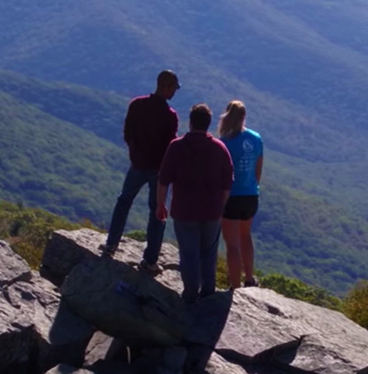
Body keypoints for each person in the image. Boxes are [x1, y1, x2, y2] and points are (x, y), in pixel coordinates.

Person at [154, 103, 233, 303]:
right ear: (208, 124)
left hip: (184, 211)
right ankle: (208, 293)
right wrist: (220, 208)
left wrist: (160, 205)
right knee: (209, 254)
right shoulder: (219, 148)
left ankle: (190, 294)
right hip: (212, 211)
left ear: (190, 123)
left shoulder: (176, 146)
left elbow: (163, 180)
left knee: (189, 255)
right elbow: (227, 184)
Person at [103, 69, 180, 270]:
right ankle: (151, 260)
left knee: (124, 201)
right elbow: (170, 145)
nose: (174, 92)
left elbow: (128, 133)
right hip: (158, 169)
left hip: (137, 165)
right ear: (166, 86)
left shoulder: (137, 105)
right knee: (157, 210)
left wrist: (135, 154)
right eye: (173, 88)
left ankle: (111, 244)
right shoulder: (169, 115)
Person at [216, 100, 263, 289]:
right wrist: (252, 186)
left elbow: (220, 174)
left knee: (232, 244)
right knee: (246, 236)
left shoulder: (223, 142)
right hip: (251, 195)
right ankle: (249, 278)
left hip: (231, 197)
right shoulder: (255, 138)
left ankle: (235, 287)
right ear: (244, 117)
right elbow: (258, 170)